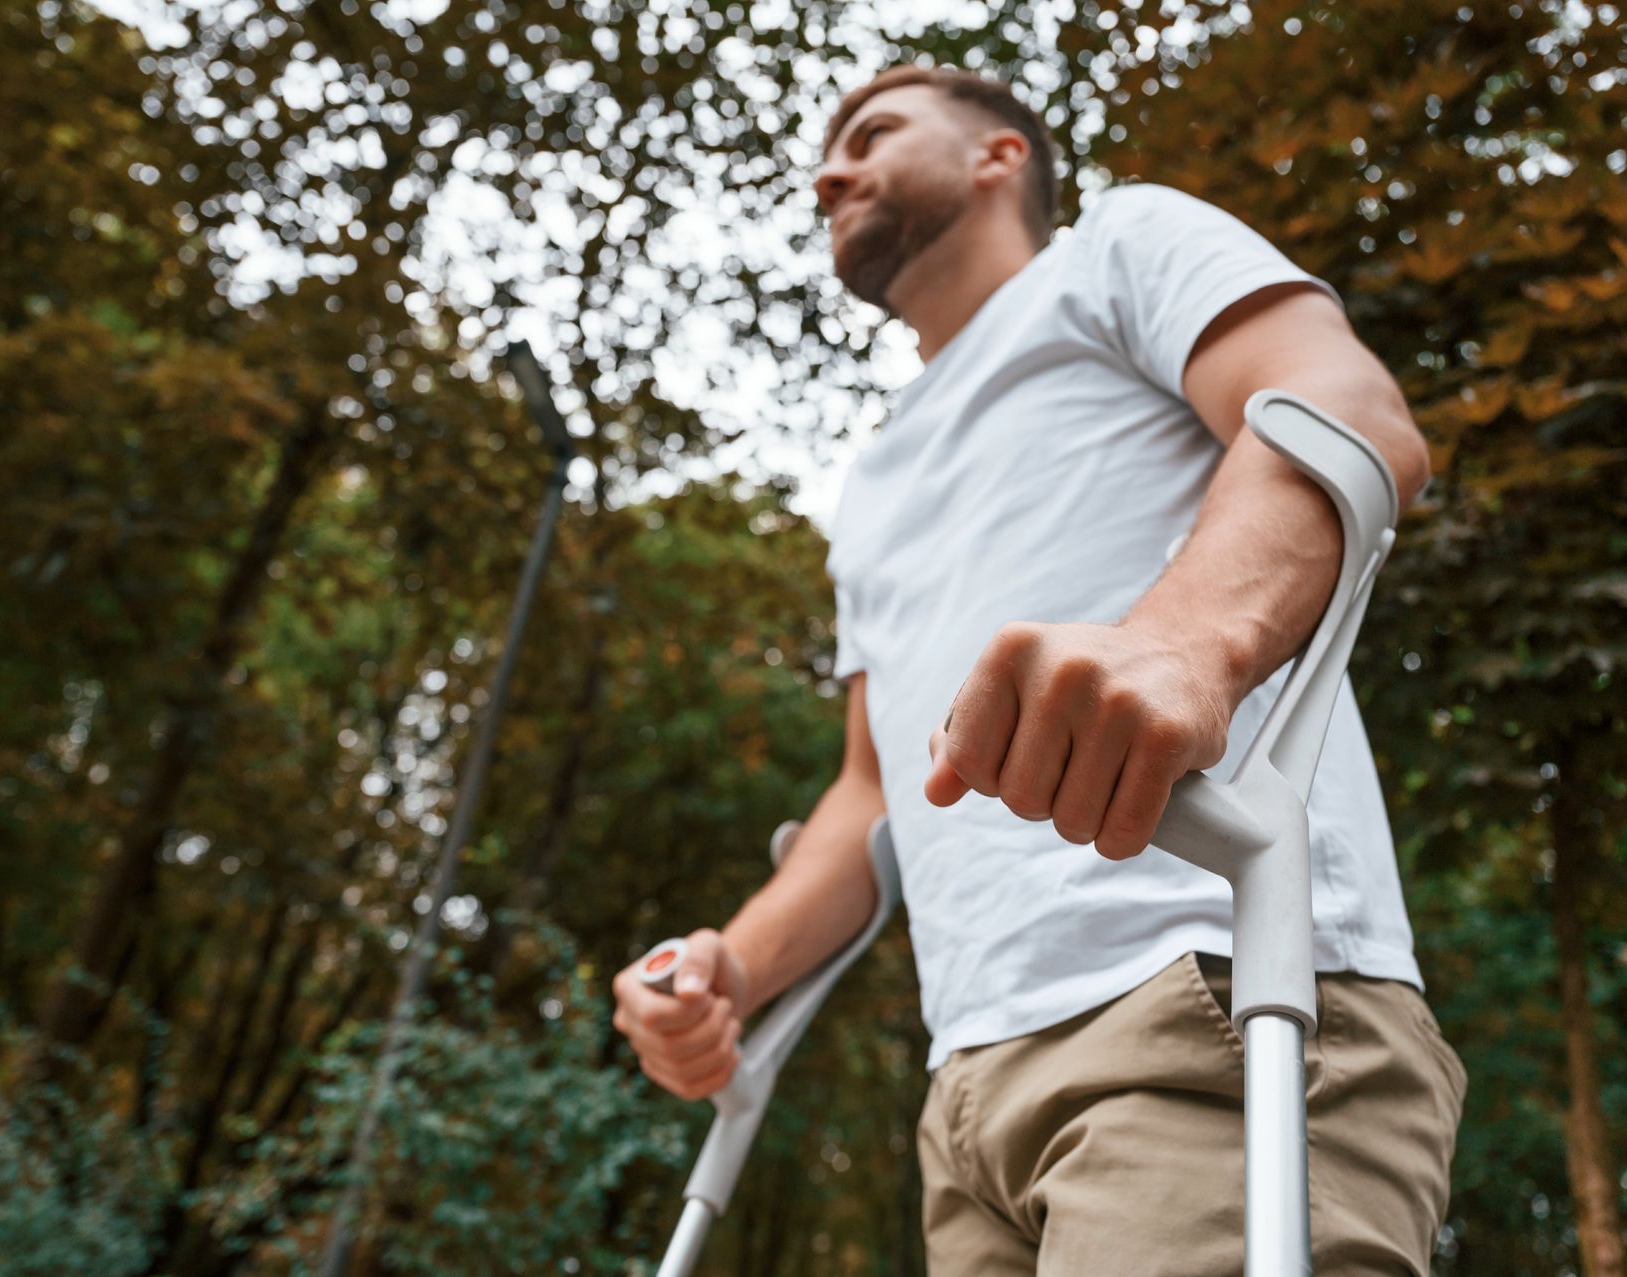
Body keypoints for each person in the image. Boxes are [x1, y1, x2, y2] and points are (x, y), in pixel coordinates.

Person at [610, 64, 1466, 1275]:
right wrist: (731, 968)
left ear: (998, 156)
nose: (828, 171)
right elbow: (871, 792)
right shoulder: (871, 483)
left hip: (1212, 990)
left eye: (873, 132)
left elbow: (1342, 414)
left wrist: (1185, 642)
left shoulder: (1118, 245)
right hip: (967, 1098)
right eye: (825, 153)